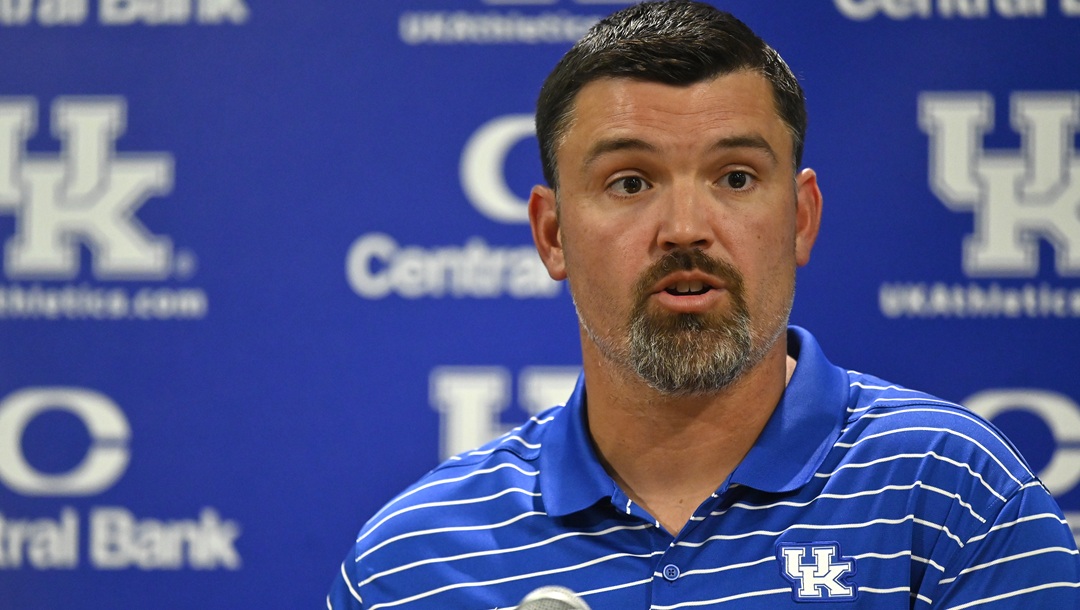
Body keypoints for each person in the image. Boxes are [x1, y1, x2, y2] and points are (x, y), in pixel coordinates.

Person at [328, 2, 1080, 607]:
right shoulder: (413, 562)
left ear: (801, 219)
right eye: (630, 182)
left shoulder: (954, 497)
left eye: (736, 179)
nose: (686, 228)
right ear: (552, 234)